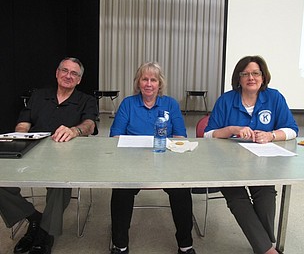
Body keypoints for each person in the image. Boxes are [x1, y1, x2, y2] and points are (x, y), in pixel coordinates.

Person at [0, 57, 98, 254]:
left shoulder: (86, 100)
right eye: (64, 70)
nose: (68, 76)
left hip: (67, 157)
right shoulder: (38, 96)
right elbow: (23, 122)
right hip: (34, 152)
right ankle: (34, 217)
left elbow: (90, 125)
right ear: (57, 73)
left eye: (74, 74)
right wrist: (20, 134)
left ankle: (44, 232)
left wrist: (75, 131)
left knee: (59, 184)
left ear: (79, 80)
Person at [204, 55, 298, 254]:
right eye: (245, 74)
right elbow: (208, 134)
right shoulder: (226, 100)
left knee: (265, 194)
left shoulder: (274, 97)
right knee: (238, 199)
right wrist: (230, 129)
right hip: (226, 166)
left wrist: (271, 135)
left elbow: (292, 130)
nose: (251, 77)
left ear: (263, 77)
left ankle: (263, 245)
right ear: (238, 78)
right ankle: (267, 249)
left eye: (255, 73)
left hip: (261, 164)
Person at [109, 62, 196, 254]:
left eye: (153, 80)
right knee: (121, 191)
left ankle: (185, 245)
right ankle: (120, 245)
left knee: (181, 191)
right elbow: (115, 137)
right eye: (144, 79)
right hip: (131, 164)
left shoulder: (171, 104)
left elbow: (181, 137)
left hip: (166, 162)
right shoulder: (128, 104)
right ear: (138, 82)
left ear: (159, 83)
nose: (149, 84)